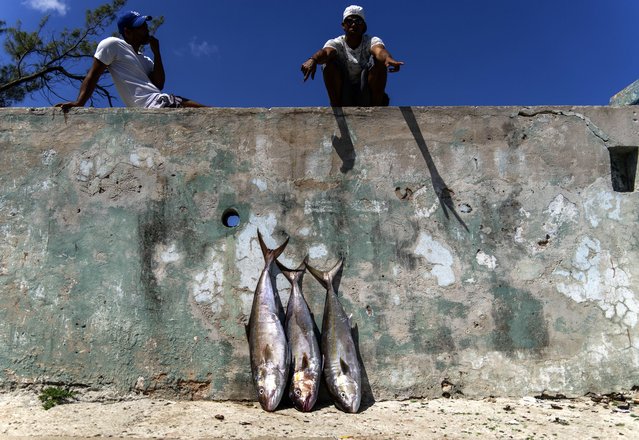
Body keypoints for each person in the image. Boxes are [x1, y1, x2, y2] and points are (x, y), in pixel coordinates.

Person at [57, 11, 206, 110]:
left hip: (161, 100)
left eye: (146, 26)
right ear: (127, 32)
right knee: (207, 113)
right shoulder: (113, 44)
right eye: (141, 27)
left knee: (205, 111)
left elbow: (159, 84)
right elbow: (93, 74)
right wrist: (79, 103)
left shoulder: (145, 59)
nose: (146, 29)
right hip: (153, 104)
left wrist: (157, 53)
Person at [301, 5, 404, 107]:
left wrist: (387, 59)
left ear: (363, 26)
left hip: (365, 93)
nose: (353, 24)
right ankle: (336, 110)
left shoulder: (371, 41)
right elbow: (327, 52)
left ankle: (376, 109)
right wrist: (313, 59)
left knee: (379, 61)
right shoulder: (337, 43)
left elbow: (379, 51)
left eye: (358, 22)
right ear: (343, 25)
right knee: (329, 63)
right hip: (344, 95)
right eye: (349, 21)